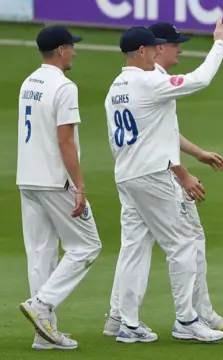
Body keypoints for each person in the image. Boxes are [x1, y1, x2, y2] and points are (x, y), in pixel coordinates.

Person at [103, 21, 223, 338]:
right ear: (142, 50)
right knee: (183, 244)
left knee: (134, 249)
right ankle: (186, 321)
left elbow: (152, 131)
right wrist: (219, 43)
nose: (157, 52)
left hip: (126, 175)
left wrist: (195, 153)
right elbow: (201, 79)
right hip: (153, 174)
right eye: (153, 47)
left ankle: (124, 323)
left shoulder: (115, 89)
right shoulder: (150, 82)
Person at [17, 25, 102, 350]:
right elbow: (65, 140)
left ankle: (44, 335)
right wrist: (79, 185)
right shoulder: (64, 87)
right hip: (55, 179)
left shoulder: (29, 82)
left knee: (41, 253)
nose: (75, 53)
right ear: (62, 50)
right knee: (87, 246)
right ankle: (41, 304)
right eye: (72, 47)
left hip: (27, 176)